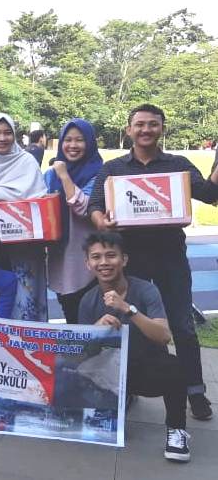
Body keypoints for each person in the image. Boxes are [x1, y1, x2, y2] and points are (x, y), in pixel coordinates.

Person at [90, 103, 218, 420]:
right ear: (129, 129)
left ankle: (195, 391)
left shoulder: (178, 164)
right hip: (130, 261)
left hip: (170, 257)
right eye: (140, 124)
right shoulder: (114, 168)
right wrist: (100, 221)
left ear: (162, 128)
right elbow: (94, 204)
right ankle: (128, 385)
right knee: (131, 324)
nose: (146, 130)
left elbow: (208, 193)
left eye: (153, 124)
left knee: (183, 328)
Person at [77, 232, 190, 462]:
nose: (104, 262)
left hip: (145, 366)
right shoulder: (87, 300)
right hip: (110, 372)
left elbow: (163, 336)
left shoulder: (146, 290)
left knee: (176, 367)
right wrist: (97, 330)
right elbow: (82, 352)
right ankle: (118, 401)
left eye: (111, 255)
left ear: (124, 259)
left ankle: (176, 431)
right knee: (75, 373)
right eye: (96, 257)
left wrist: (129, 309)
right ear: (88, 264)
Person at [0, 113, 48, 322]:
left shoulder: (26, 161)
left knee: (25, 302)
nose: (2, 138)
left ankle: (30, 351)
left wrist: (0, 194)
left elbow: (39, 196)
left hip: (24, 247)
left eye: (8, 133)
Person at [45, 119, 102, 324]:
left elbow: (83, 207)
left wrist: (64, 175)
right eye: (67, 140)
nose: (73, 145)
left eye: (80, 140)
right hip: (62, 256)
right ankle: (78, 356)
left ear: (90, 143)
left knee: (92, 314)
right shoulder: (49, 176)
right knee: (71, 312)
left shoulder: (99, 173)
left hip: (89, 256)